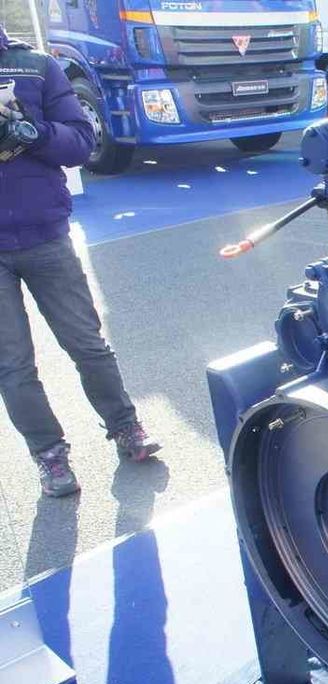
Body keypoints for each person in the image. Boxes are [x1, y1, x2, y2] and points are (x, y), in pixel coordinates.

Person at [0, 25, 160, 500]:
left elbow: (81, 142)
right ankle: (49, 454)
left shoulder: (35, 66)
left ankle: (125, 427)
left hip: (45, 235)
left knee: (88, 345)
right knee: (12, 365)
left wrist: (29, 130)